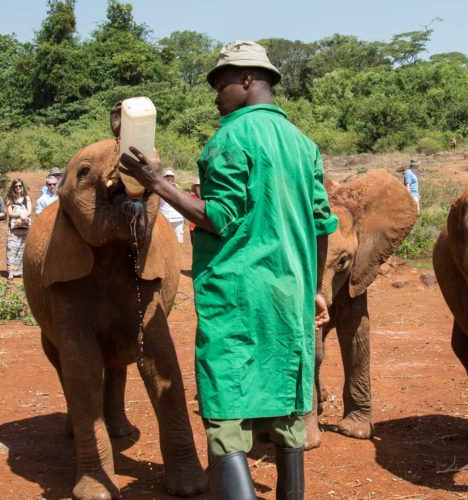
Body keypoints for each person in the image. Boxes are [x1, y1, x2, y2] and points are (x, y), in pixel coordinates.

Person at [119, 40, 338, 500]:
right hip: (291, 292)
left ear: (245, 79)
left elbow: (220, 216)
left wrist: (157, 183)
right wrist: (315, 289)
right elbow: (322, 225)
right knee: (286, 406)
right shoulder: (304, 144)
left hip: (238, 294)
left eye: (220, 84)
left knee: (225, 404)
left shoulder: (229, 140)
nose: (216, 96)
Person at [5, 178, 32, 280]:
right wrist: (20, 214)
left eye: (20, 186)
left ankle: (21, 272)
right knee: (12, 249)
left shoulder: (27, 198)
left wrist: (24, 214)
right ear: (13, 187)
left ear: (22, 186)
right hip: (13, 229)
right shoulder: (10, 198)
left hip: (25, 228)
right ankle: (11, 273)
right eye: (16, 186)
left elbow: (29, 211)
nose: (18, 188)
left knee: (22, 250)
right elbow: (10, 213)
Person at [158, 169, 186, 243]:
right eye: (167, 176)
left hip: (177, 218)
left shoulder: (178, 188)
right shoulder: (158, 189)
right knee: (164, 240)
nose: (169, 178)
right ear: (164, 177)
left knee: (179, 240)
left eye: (171, 176)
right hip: (165, 218)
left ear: (173, 178)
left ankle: (178, 254)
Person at [188, 178, 201, 244]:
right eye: (197, 185)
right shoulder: (191, 197)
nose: (198, 187)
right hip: (193, 226)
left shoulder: (207, 197)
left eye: (200, 185)